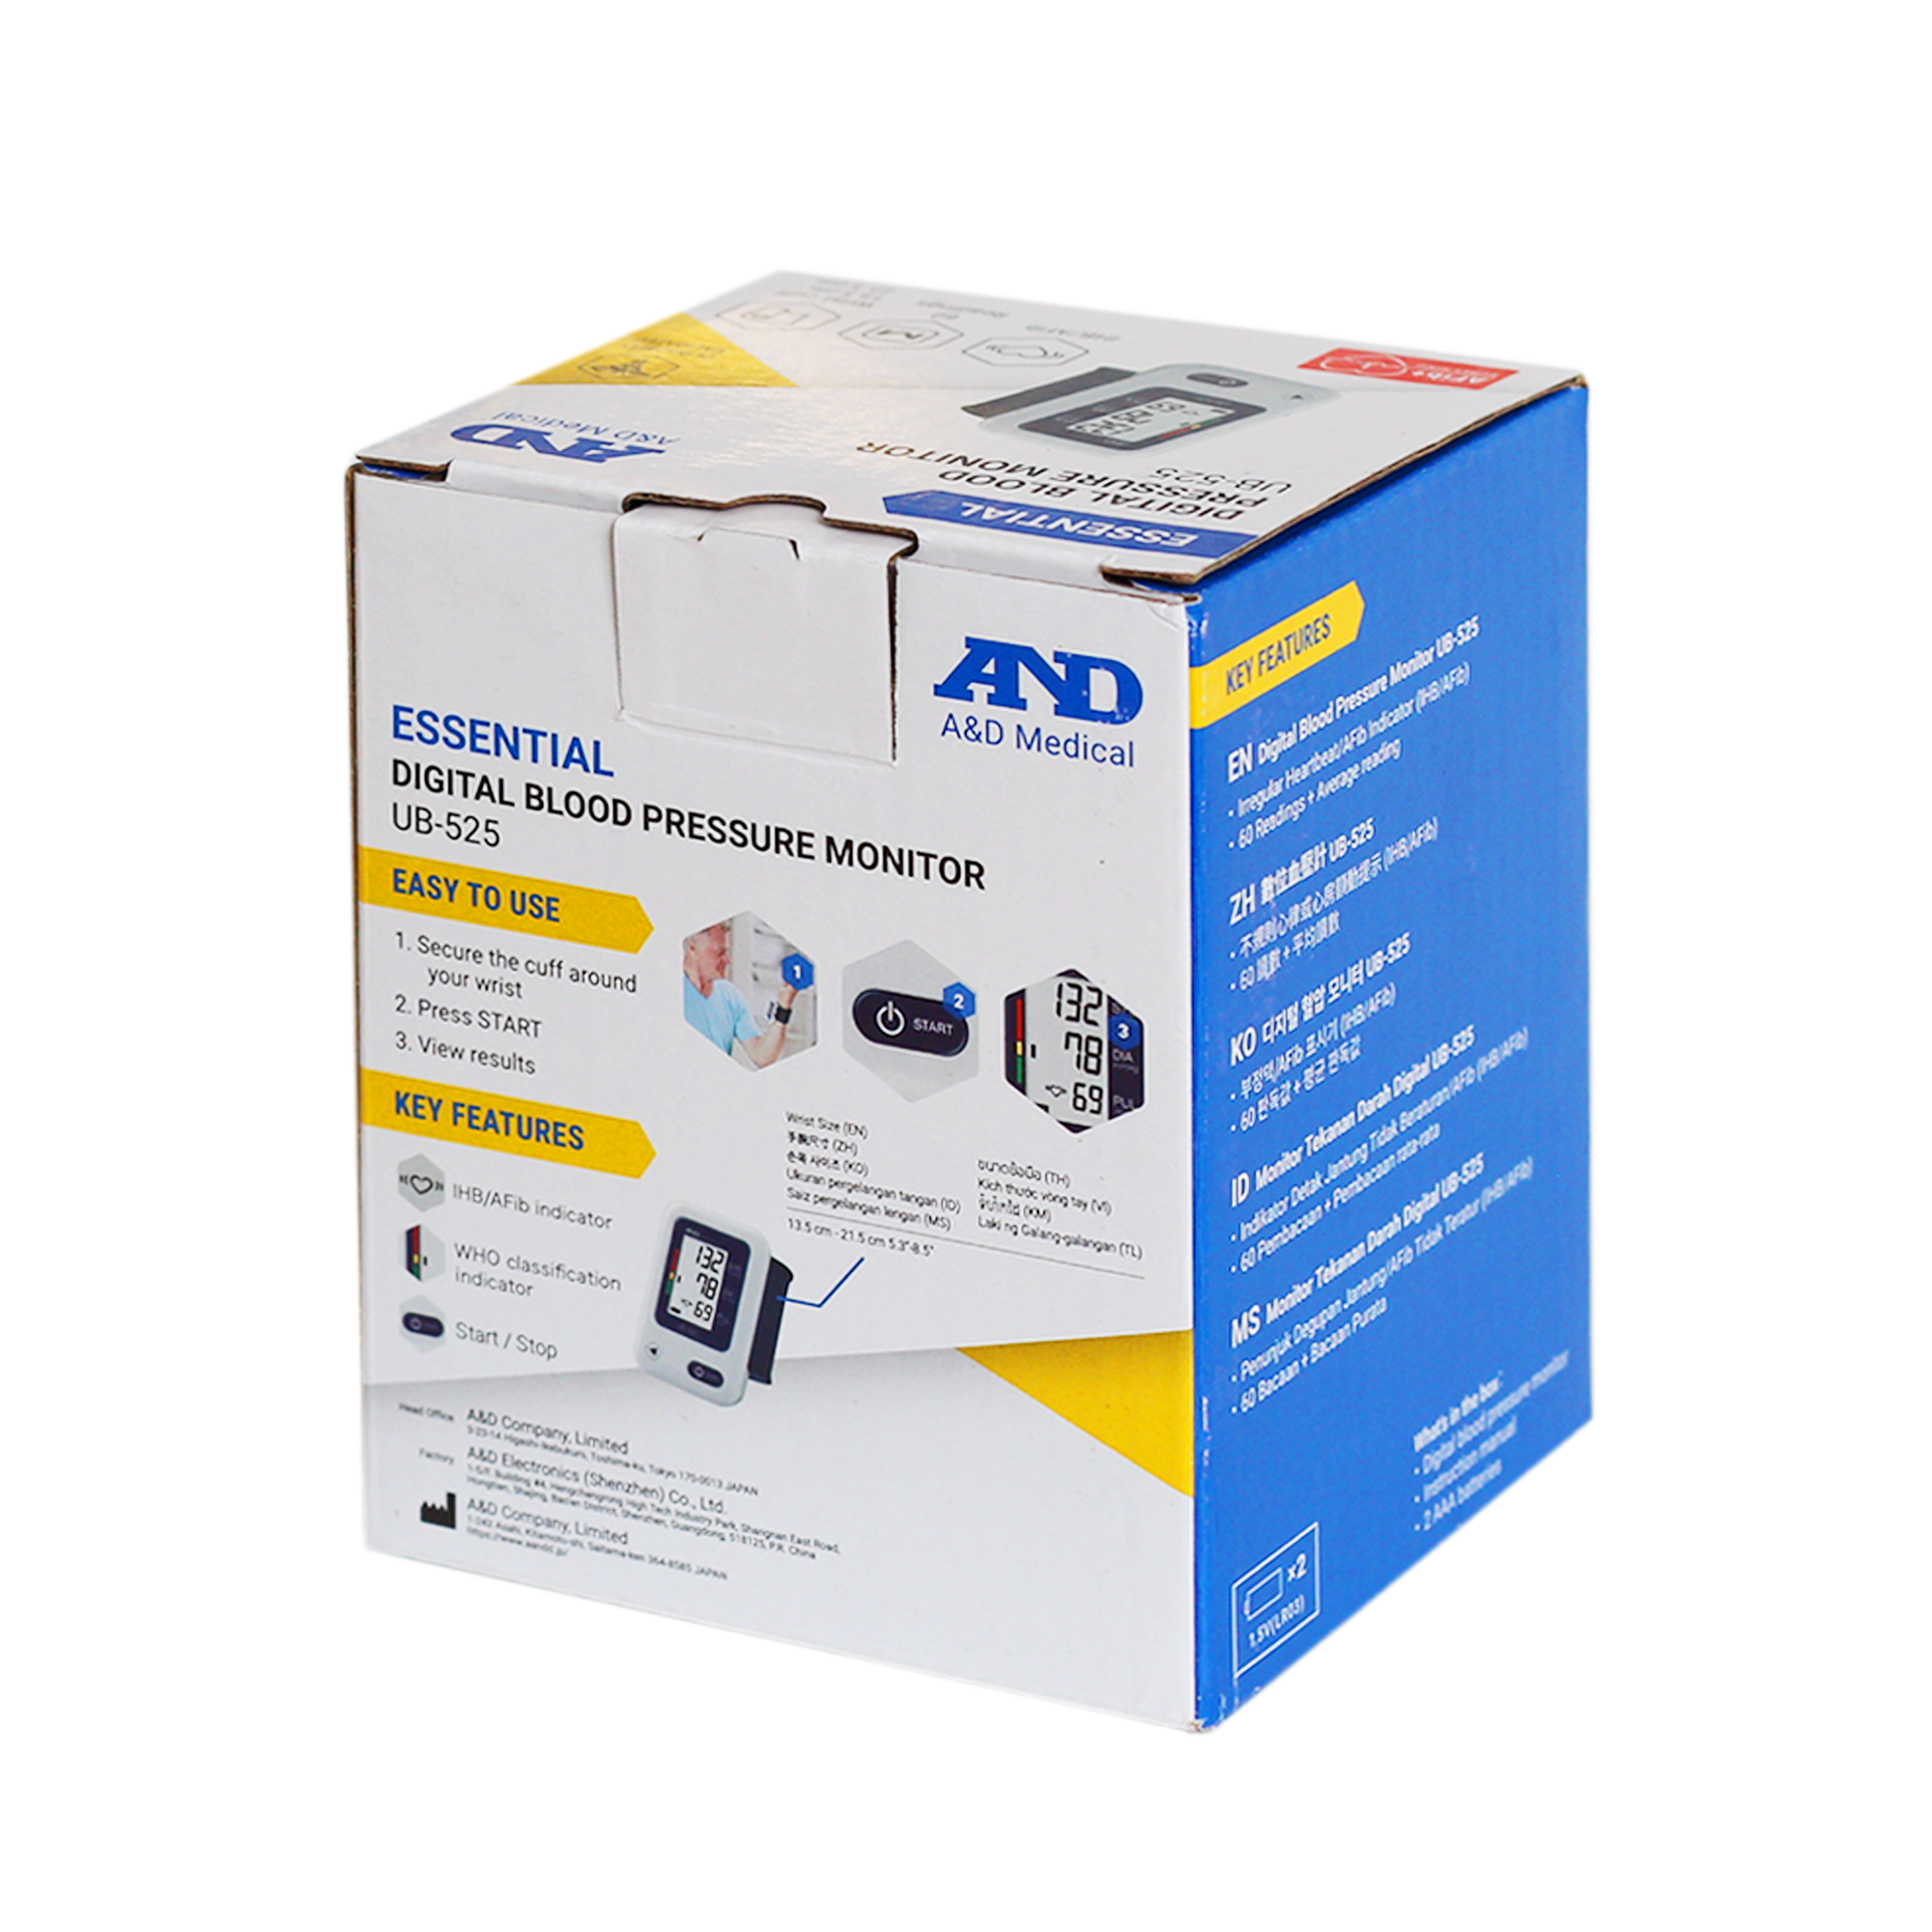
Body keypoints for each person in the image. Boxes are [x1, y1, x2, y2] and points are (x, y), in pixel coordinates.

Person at [682, 923, 795, 1067]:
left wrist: (784, 1005)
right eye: (720, 952)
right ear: (693, 948)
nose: (728, 960)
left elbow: (762, 1057)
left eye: (727, 952)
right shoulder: (671, 993)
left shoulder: (730, 995)